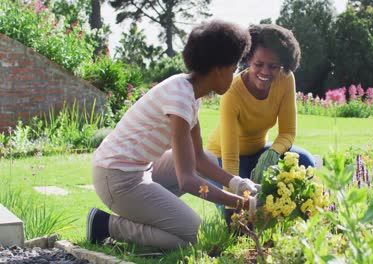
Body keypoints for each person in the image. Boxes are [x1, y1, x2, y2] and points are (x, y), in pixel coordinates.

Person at [86, 20, 260, 250]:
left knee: (207, 157)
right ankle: (106, 225)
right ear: (219, 70)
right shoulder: (179, 98)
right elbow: (186, 180)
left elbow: (197, 157)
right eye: (234, 67)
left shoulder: (190, 91)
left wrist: (237, 184)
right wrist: (242, 204)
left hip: (139, 169)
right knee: (194, 237)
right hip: (117, 179)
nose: (236, 73)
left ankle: (144, 212)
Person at [206, 23, 316, 187]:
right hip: (221, 158)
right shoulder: (232, 92)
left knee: (304, 160)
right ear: (248, 59)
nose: (265, 72)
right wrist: (233, 204)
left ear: (282, 65)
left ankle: (293, 210)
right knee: (245, 201)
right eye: (258, 64)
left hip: (259, 153)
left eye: (273, 66)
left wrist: (271, 155)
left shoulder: (285, 79)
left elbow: (288, 132)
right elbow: (230, 159)